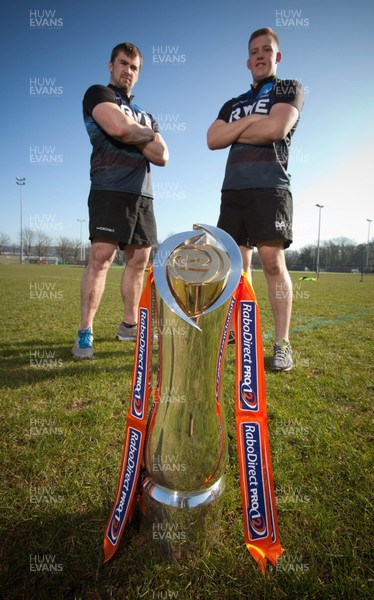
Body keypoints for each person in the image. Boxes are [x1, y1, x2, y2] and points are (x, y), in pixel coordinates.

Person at [207, 27, 304, 371]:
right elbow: (213, 138)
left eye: (267, 50)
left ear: (277, 57)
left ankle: (282, 343)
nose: (261, 55)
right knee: (234, 267)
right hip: (233, 191)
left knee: (273, 263)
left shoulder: (289, 88)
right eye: (255, 51)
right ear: (248, 60)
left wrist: (241, 128)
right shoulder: (232, 104)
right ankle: (235, 332)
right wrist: (251, 120)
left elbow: (276, 129)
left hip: (270, 187)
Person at [72, 42, 169, 359]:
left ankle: (129, 325)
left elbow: (163, 155)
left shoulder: (146, 114)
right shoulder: (98, 93)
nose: (128, 70)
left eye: (134, 67)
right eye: (123, 63)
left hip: (143, 193)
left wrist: (132, 131)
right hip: (109, 187)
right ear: (111, 65)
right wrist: (141, 135)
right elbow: (116, 127)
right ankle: (85, 332)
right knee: (100, 259)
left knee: (140, 261)